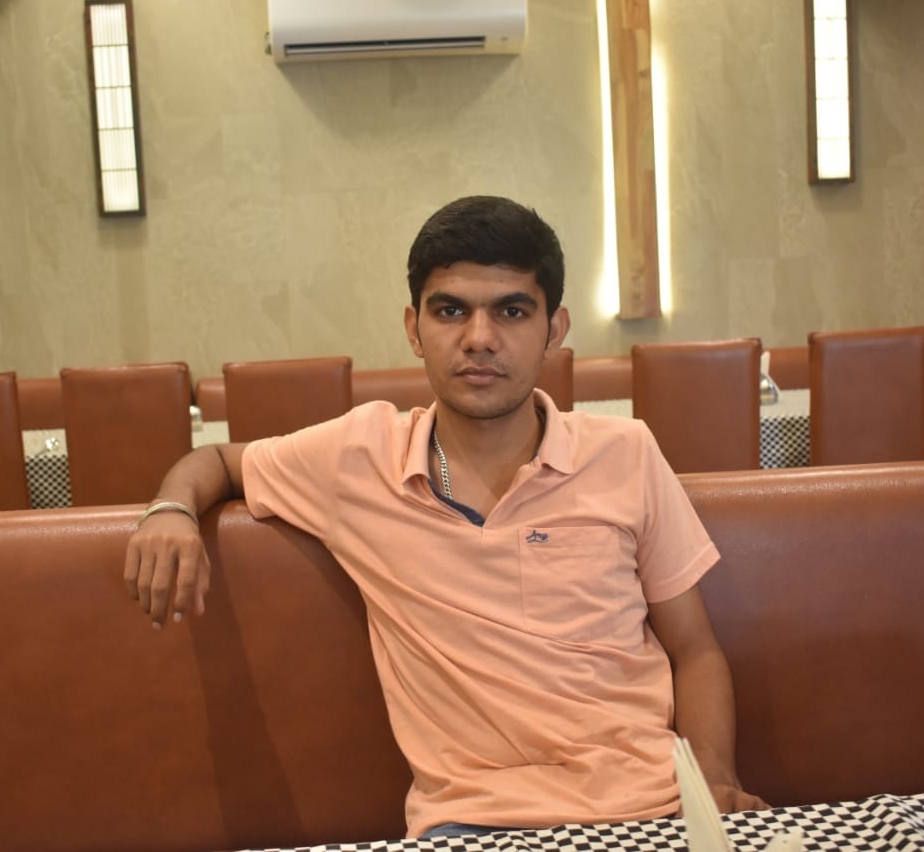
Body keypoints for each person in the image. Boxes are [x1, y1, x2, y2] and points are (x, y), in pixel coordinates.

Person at [124, 195, 768, 838]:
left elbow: (695, 649)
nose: (479, 338)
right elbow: (218, 460)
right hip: (470, 824)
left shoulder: (625, 452)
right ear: (414, 328)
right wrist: (172, 510)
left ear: (555, 328)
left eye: (512, 311)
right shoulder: (360, 458)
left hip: (651, 810)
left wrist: (713, 784)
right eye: (451, 310)